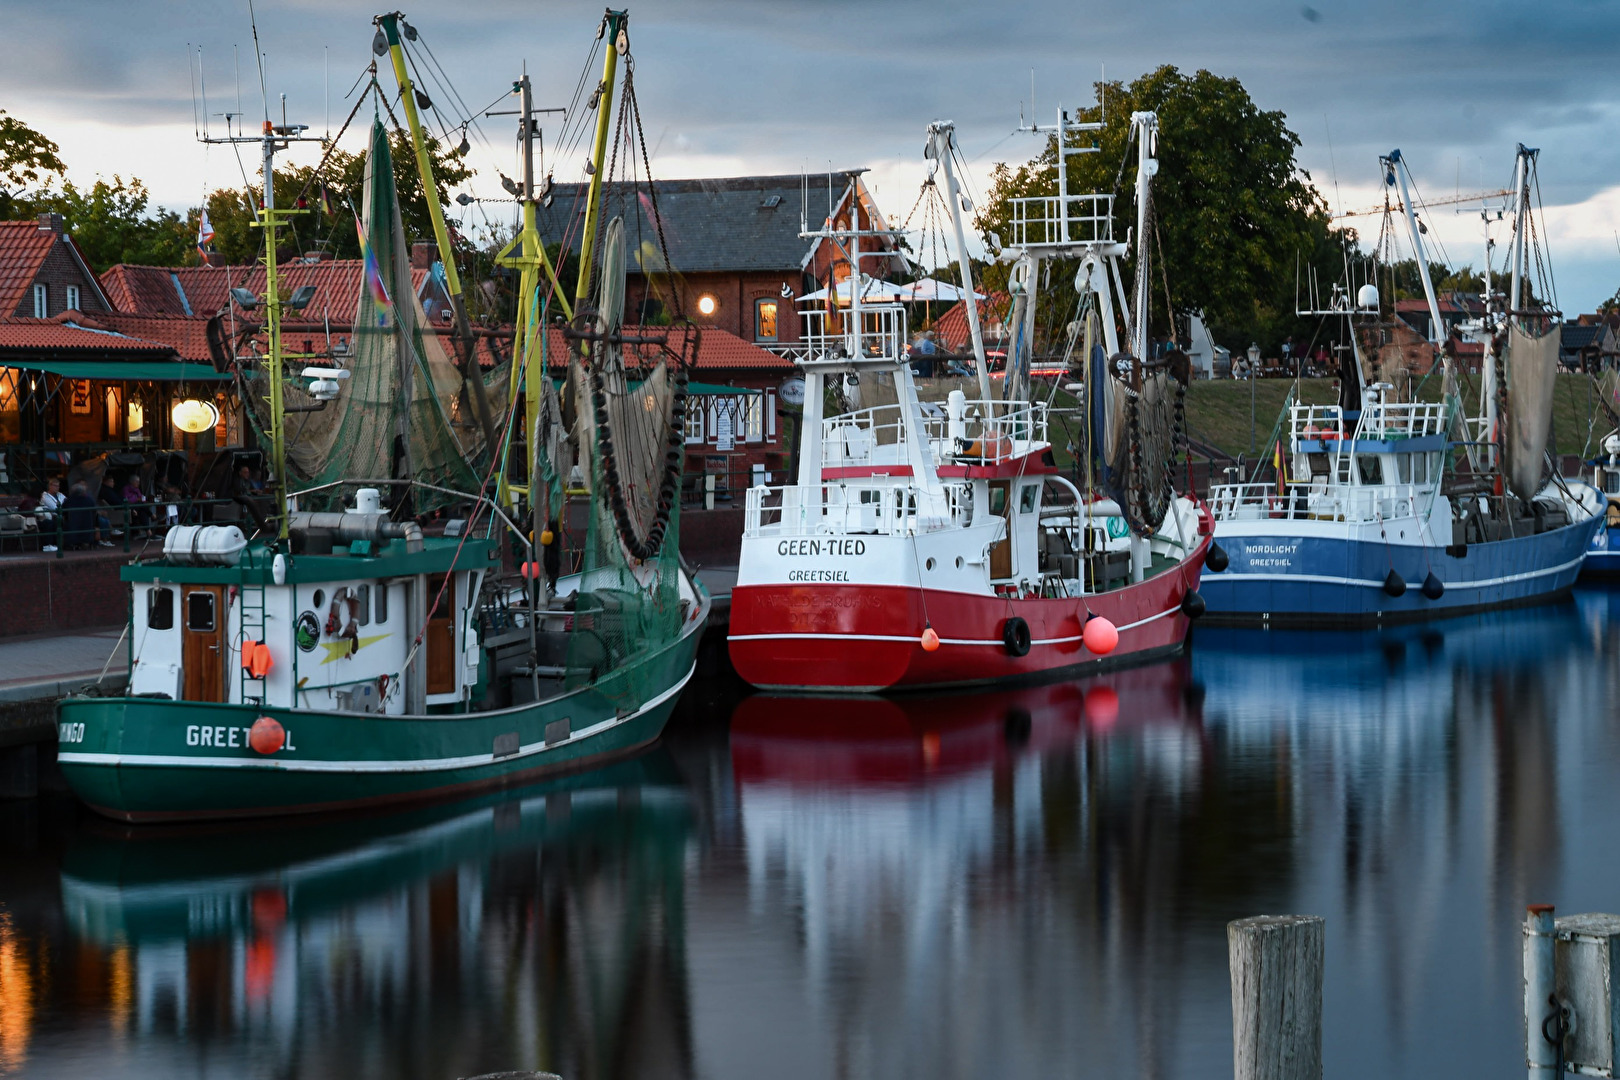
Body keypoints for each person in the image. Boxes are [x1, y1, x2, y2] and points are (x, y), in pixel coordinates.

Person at [62, 482, 108, 549]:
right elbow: (95, 513)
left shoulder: (69, 501)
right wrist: (96, 526)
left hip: (73, 528)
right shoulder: (89, 500)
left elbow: (63, 512)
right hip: (88, 528)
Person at [36, 478, 64, 552]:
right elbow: (54, 507)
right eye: (55, 486)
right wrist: (62, 506)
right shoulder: (45, 496)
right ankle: (50, 545)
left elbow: (67, 502)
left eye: (58, 486)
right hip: (50, 518)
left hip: (61, 516)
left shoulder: (60, 495)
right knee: (52, 523)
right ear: (50, 486)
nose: (57, 488)